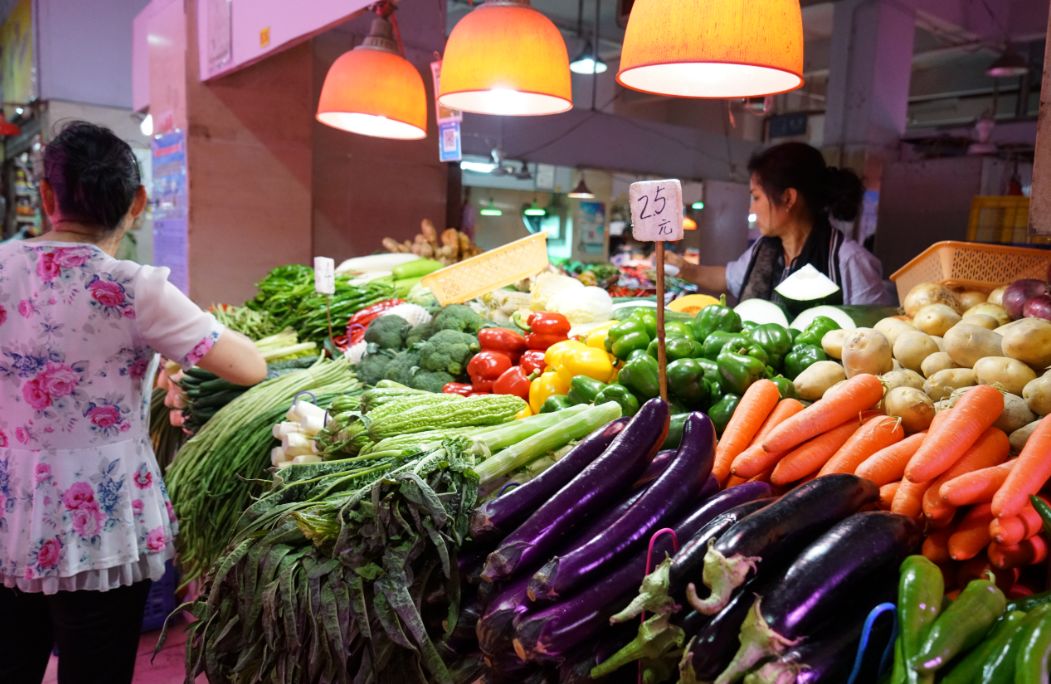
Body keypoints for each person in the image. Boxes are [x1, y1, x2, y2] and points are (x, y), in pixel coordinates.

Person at [0, 121, 267, 684]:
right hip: (103, 515)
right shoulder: (134, 286)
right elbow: (248, 365)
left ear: (48, 197)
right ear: (138, 203)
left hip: (10, 505)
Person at [666, 142, 888, 306]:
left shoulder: (850, 261)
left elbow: (873, 336)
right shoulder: (764, 249)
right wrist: (683, 268)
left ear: (788, 198)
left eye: (756, 197)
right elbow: (728, 278)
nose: (752, 209)